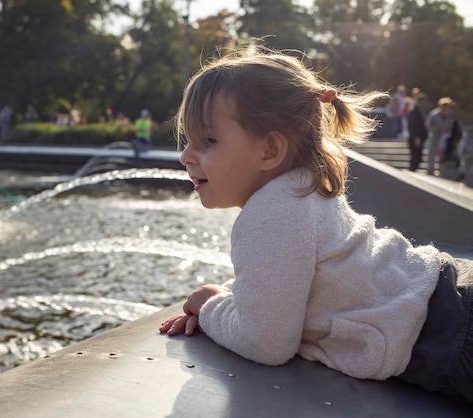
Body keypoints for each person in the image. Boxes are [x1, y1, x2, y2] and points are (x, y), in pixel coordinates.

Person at [158, 48, 473, 403]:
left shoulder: (271, 213)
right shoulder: (301, 188)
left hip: (449, 333)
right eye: (188, 140)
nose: (186, 155)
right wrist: (234, 297)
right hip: (447, 293)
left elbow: (267, 343)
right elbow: (281, 277)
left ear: (269, 150)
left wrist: (209, 303)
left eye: (208, 141)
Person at [425, 97, 455, 175]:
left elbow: (451, 126)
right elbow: (428, 126)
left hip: (444, 138)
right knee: (432, 153)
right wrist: (438, 128)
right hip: (434, 136)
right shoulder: (433, 114)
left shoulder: (448, 116)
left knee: (441, 155)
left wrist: (447, 129)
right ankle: (430, 170)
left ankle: (440, 170)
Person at [406, 93, 430, 171]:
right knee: (415, 157)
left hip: (420, 137)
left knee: (418, 157)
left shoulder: (423, 111)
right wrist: (416, 137)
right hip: (415, 138)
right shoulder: (414, 112)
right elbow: (413, 126)